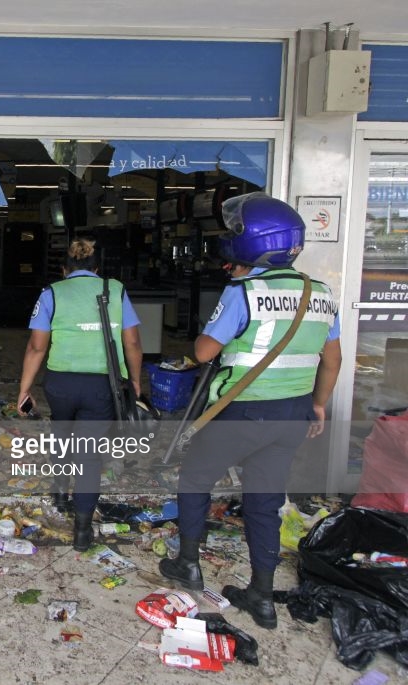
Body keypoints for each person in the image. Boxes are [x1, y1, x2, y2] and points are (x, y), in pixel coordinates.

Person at [159, 192, 342, 629]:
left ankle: (188, 563)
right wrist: (317, 405)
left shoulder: (245, 292)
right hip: (292, 415)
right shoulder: (320, 293)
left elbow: (204, 352)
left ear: (255, 242)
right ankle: (261, 597)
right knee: (263, 502)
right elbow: (331, 360)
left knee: (195, 479)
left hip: (241, 412)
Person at [17, 238, 144, 551]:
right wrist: (137, 382)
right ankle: (83, 532)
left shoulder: (52, 293)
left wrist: (24, 389)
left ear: (64, 270)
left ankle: (60, 490)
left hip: (61, 383)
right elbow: (132, 343)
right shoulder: (116, 289)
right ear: (97, 269)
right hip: (102, 386)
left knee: (62, 430)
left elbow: (37, 346)